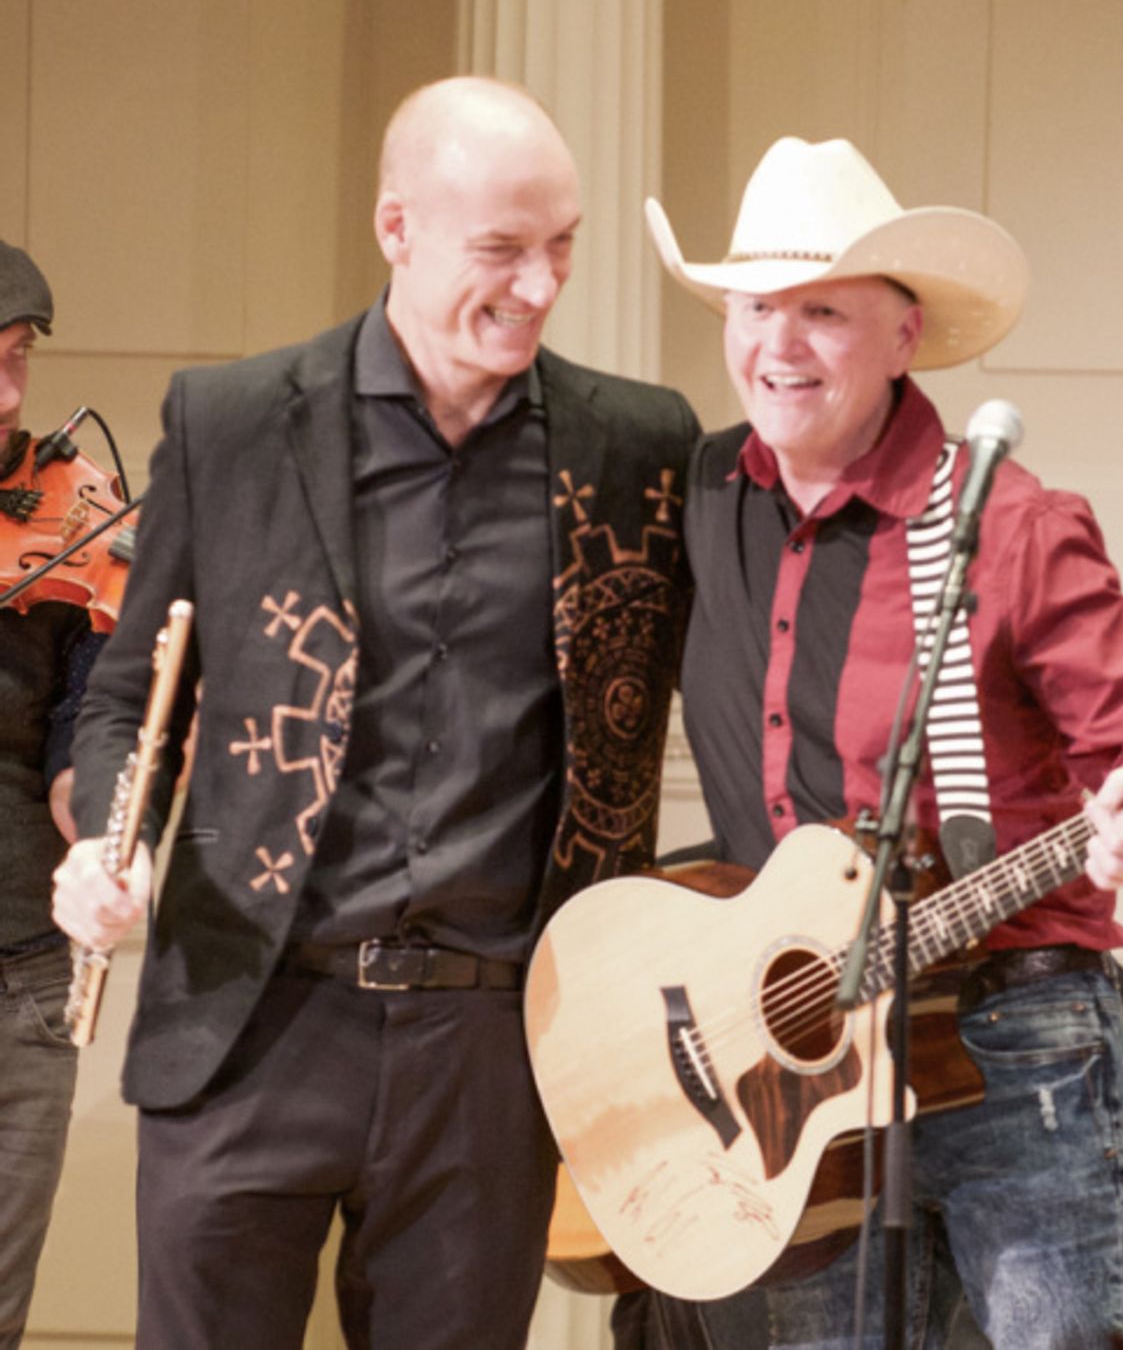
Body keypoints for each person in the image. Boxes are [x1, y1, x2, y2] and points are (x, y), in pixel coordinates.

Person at [50, 77, 696, 1349]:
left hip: (491, 1038)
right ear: (396, 227)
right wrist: (101, 841)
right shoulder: (231, 422)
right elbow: (132, 700)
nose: (539, 285)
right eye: (500, 250)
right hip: (247, 1019)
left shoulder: (636, 443)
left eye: (561, 245)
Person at [616, 138, 1123, 1349]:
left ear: (904, 335)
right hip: (802, 1065)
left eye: (823, 313)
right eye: (755, 309)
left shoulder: (1007, 523)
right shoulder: (700, 496)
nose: (777, 347)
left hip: (1018, 1045)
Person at [0, 241, 106, 1348]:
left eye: (19, 358)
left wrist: (96, 819)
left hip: (23, 976)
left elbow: (90, 719)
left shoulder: (74, 512)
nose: (8, 395)